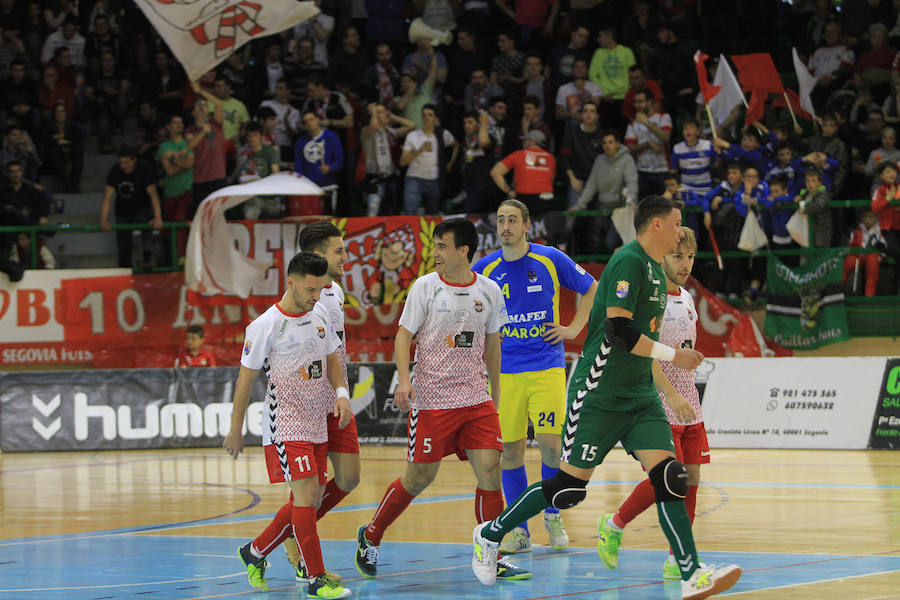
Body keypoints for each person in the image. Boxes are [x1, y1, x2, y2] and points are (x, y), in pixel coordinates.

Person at [471, 195, 742, 600]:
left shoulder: (654, 268)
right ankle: (491, 534)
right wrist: (673, 356)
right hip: (598, 392)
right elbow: (617, 332)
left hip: (640, 395)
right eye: (675, 224)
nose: (680, 231)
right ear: (655, 226)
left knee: (672, 476)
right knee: (567, 488)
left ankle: (690, 573)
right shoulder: (628, 262)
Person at [353, 218, 529, 582]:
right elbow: (403, 336)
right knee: (418, 478)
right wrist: (404, 380)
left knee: (491, 473)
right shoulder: (425, 287)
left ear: (464, 250)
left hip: (476, 401)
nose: (435, 254)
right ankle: (371, 534)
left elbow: (493, 346)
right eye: (434, 247)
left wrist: (494, 395)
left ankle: (490, 552)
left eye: (442, 246)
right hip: (432, 401)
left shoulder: (489, 291)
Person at [224, 251, 353, 600]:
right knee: (307, 494)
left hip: (317, 421)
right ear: (291, 282)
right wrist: (236, 429)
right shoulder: (265, 325)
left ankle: (255, 551)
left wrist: (341, 394)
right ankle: (315, 579)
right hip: (286, 424)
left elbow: (332, 359)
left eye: (321, 289)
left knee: (310, 498)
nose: (316, 296)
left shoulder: (319, 314)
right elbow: (244, 381)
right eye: (311, 289)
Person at [472, 199, 597, 554]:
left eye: (512, 220)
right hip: (505, 374)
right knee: (509, 451)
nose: (506, 226)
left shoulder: (550, 258)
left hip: (546, 366)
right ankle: (519, 530)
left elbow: (592, 288)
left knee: (551, 445)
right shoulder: (484, 269)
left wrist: (573, 328)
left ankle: (553, 514)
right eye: (500, 220)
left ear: (527, 225)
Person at [596, 226, 711, 581]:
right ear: (661, 256)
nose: (686, 263)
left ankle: (678, 558)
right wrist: (672, 395)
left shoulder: (688, 299)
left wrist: (688, 368)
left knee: (690, 479)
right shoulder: (651, 298)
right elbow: (646, 355)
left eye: (690, 256)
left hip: (689, 403)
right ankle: (614, 524)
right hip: (659, 402)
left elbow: (681, 350)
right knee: (669, 478)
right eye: (678, 256)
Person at [281, 222, 361, 581]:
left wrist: (342, 392)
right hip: (308, 406)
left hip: (337, 400)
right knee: (308, 492)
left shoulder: (337, 292)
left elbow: (335, 351)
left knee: (349, 477)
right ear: (316, 256)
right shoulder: (301, 299)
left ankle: (290, 532)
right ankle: (296, 546)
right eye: (338, 251)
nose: (346, 257)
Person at [568, 131, 638, 254]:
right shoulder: (599, 160)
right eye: (604, 143)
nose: (607, 146)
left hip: (621, 210)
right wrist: (579, 206)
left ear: (617, 144)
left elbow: (632, 184)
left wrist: (631, 202)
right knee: (593, 237)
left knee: (611, 242)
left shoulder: (627, 160)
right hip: (603, 209)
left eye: (610, 142)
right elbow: (590, 186)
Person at [100, 145, 163, 269]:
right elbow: (107, 197)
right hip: (123, 211)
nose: (123, 166)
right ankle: (124, 269)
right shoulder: (115, 171)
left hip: (142, 208)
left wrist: (158, 217)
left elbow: (153, 194)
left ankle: (147, 257)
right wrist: (103, 220)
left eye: (126, 162)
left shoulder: (144, 169)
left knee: (146, 224)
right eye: (121, 162)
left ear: (134, 160)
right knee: (123, 244)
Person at [400, 103, 457, 215]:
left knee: (432, 217)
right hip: (414, 179)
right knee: (410, 214)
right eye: (424, 115)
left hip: (434, 180)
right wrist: (419, 151)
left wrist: (451, 163)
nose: (426, 118)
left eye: (430, 115)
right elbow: (402, 162)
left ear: (436, 119)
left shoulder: (442, 134)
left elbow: (456, 144)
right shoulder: (413, 135)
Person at [360, 104, 414, 216]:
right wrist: (374, 112)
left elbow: (411, 125)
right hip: (374, 178)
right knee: (372, 212)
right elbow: (374, 126)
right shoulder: (366, 131)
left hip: (390, 178)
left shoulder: (391, 132)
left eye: (385, 111)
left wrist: (393, 116)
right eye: (379, 112)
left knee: (389, 213)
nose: (384, 114)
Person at [490, 130, 556, 218]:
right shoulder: (551, 158)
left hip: (524, 199)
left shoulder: (518, 154)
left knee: (522, 229)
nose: (523, 142)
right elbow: (551, 179)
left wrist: (509, 191)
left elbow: (495, 172)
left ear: (532, 141)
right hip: (547, 199)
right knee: (545, 229)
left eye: (525, 140)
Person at [186, 81, 227, 215]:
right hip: (200, 179)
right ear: (193, 112)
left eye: (205, 105)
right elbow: (190, 144)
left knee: (219, 214)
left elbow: (219, 104)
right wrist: (203, 131)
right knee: (202, 214)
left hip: (218, 177)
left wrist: (200, 90)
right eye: (199, 105)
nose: (203, 107)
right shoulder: (191, 131)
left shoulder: (216, 124)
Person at [157, 114, 194, 261]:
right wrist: (183, 163)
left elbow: (190, 164)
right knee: (169, 228)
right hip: (170, 192)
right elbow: (170, 171)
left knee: (180, 220)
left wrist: (172, 158)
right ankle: (172, 259)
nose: (179, 125)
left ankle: (182, 257)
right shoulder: (164, 147)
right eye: (175, 122)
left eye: (181, 122)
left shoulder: (188, 144)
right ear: (168, 127)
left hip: (186, 190)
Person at [625, 89, 672, 199]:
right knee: (646, 209)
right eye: (635, 102)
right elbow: (630, 149)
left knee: (665, 207)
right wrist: (648, 144)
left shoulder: (663, 117)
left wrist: (646, 123)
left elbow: (665, 137)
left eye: (640, 101)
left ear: (649, 101)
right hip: (642, 172)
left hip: (662, 170)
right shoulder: (633, 124)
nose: (637, 105)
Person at [294, 110, 344, 213]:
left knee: (328, 218)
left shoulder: (331, 138)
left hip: (327, 186)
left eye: (311, 120)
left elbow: (340, 161)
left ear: (318, 120)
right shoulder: (300, 142)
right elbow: (298, 167)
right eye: (305, 122)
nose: (309, 123)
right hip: (308, 189)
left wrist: (330, 167)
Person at [843, 209, 887, 296]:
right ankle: (837, 291)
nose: (867, 220)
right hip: (860, 255)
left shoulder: (880, 230)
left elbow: (884, 248)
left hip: (873, 256)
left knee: (872, 263)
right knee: (848, 262)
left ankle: (869, 295)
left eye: (870, 217)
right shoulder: (857, 231)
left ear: (875, 218)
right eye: (865, 217)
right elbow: (851, 245)